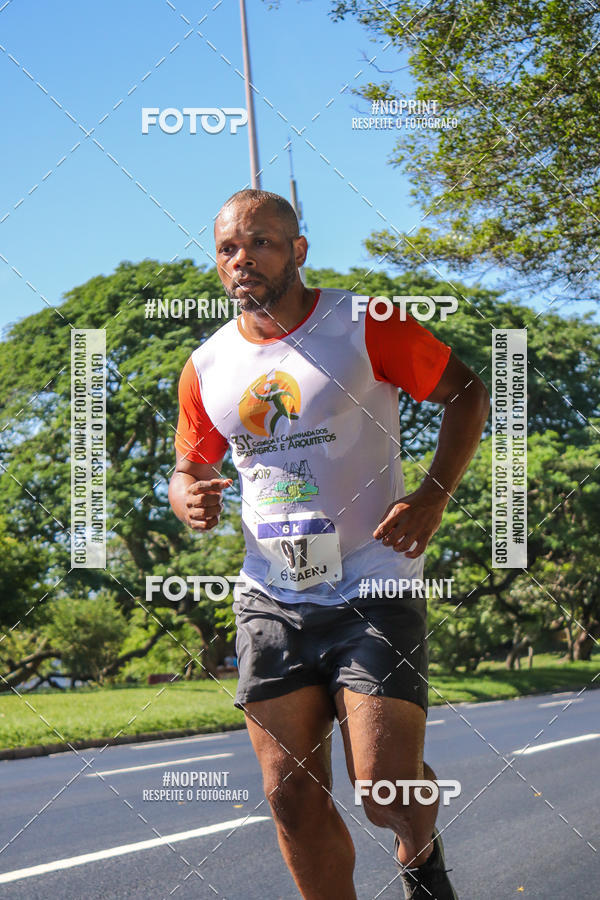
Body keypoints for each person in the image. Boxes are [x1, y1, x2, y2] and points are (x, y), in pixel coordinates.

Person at [168, 189, 489, 899]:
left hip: (372, 582)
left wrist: (433, 494)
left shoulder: (363, 324)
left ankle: (418, 852)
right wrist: (185, 493)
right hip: (271, 596)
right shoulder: (208, 365)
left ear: (299, 251)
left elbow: (466, 392)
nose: (242, 259)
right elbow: (190, 464)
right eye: (228, 248)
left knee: (384, 788)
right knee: (290, 796)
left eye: (261, 242)